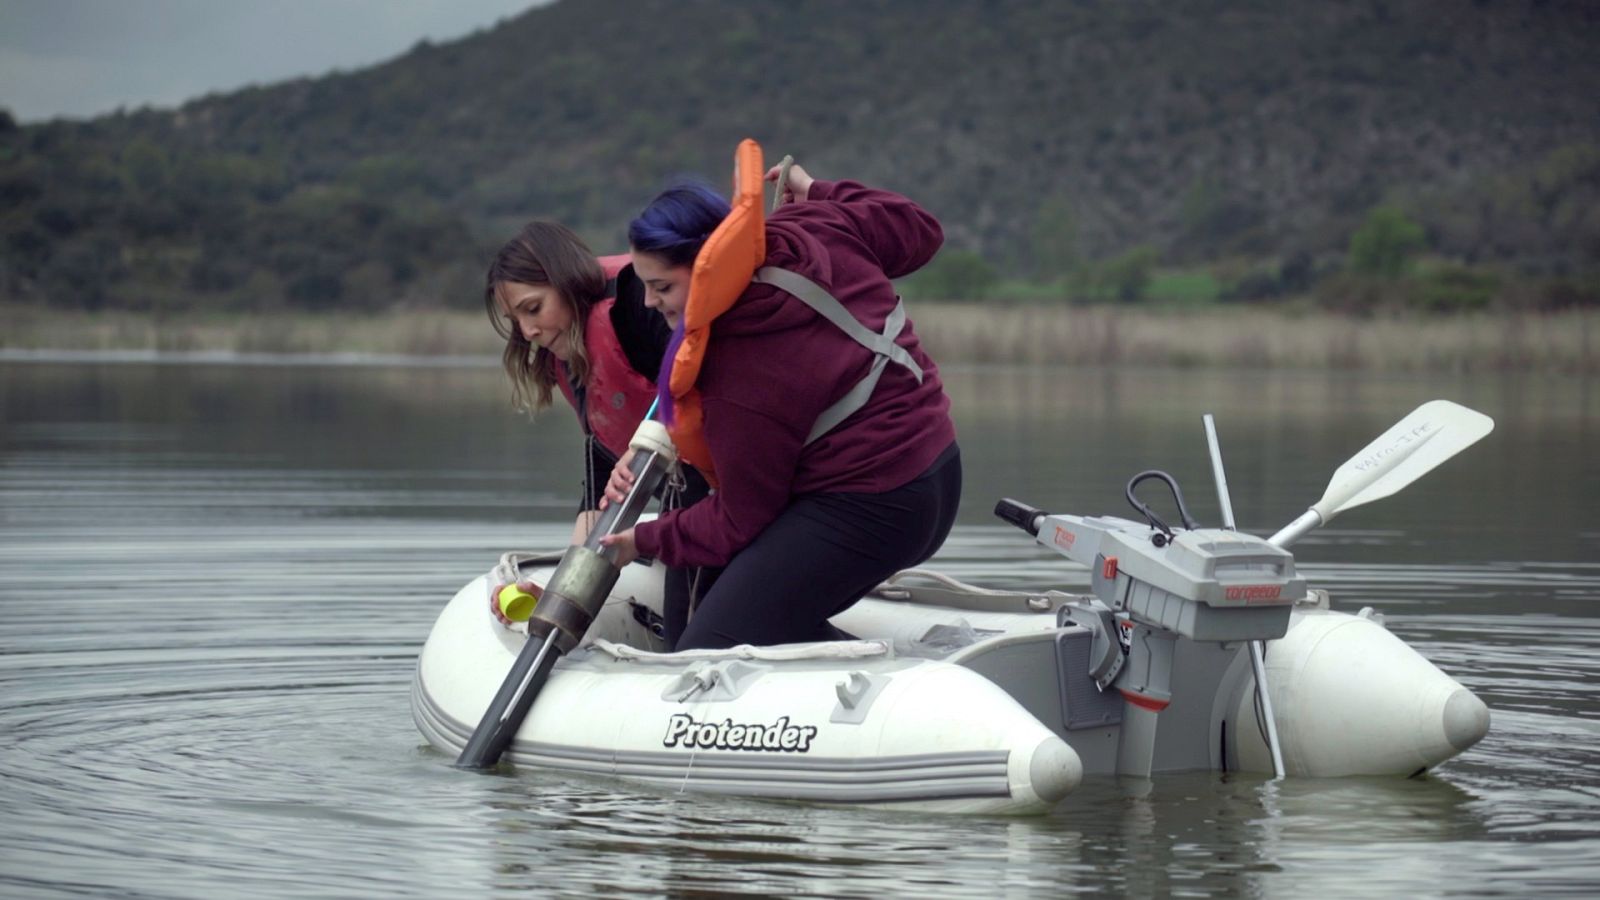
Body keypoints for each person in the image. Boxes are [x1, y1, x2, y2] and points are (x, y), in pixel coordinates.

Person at [600, 162, 962, 650]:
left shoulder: (737, 365)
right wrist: (819, 192)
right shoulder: (810, 224)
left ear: (710, 262)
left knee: (708, 649)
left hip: (873, 508)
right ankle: (900, 668)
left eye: (662, 286)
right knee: (732, 609)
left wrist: (640, 542)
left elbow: (740, 518)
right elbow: (920, 230)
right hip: (938, 474)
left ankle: (915, 688)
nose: (647, 302)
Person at [484, 221, 713, 648]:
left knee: (694, 640)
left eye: (533, 309)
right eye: (516, 319)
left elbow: (703, 377)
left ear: (568, 286)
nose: (527, 332)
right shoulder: (574, 362)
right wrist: (559, 591)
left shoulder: (635, 304)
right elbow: (600, 493)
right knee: (688, 629)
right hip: (690, 509)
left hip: (730, 494)